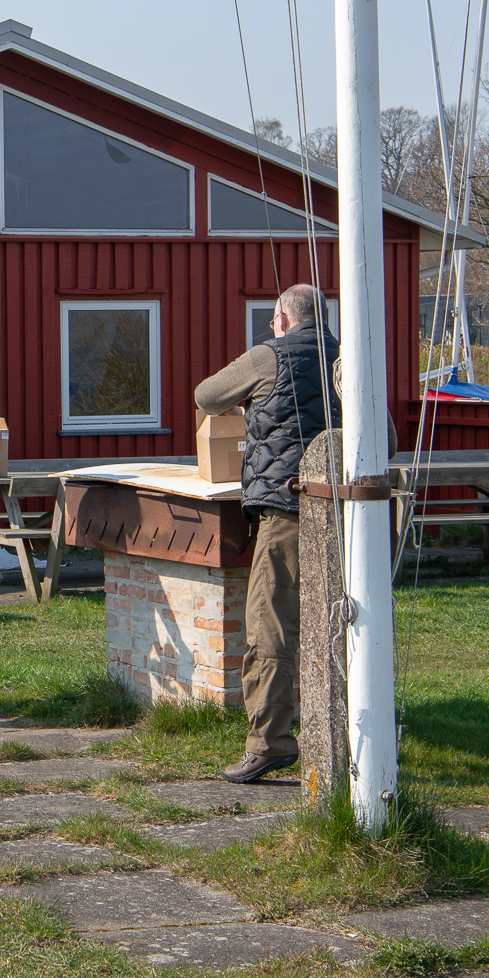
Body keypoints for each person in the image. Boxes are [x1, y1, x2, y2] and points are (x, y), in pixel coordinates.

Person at [193, 282, 341, 784]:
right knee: (340, 624)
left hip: (287, 511)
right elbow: (383, 437)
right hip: (346, 515)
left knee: (270, 627)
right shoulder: (350, 361)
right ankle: (345, 733)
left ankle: (270, 743)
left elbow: (206, 396)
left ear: (281, 319)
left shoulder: (267, 356)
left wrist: (253, 403)